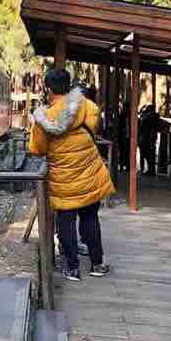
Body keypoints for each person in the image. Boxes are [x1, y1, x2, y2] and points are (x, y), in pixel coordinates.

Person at [29, 68, 114, 281]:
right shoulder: (89, 106)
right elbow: (94, 127)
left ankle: (72, 268)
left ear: (48, 89)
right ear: (69, 85)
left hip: (64, 177)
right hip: (89, 172)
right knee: (90, 218)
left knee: (66, 221)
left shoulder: (45, 117)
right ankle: (97, 264)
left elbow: (37, 148)